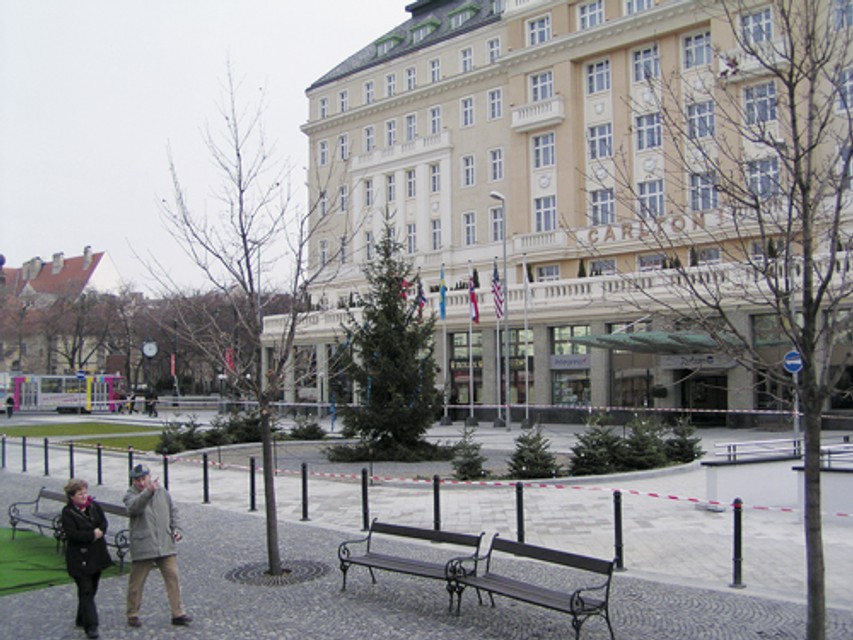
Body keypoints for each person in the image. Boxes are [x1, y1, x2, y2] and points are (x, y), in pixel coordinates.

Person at [123, 464, 192, 628]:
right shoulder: (130, 495)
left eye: (143, 478)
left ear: (149, 477)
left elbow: (173, 511)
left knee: (173, 578)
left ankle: (178, 613)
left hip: (164, 543)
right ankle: (132, 613)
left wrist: (176, 529)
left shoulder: (162, 492)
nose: (141, 482)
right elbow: (134, 508)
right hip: (144, 545)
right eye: (137, 480)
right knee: (136, 583)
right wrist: (148, 492)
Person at [61, 478, 113, 640]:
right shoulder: (68, 512)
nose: (84, 496)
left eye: (85, 493)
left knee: (92, 588)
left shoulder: (94, 506)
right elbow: (72, 534)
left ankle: (81, 617)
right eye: (80, 494)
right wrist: (92, 535)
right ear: (72, 496)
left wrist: (100, 531)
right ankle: (91, 626)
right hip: (79, 558)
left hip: (96, 555)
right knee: (86, 590)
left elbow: (103, 523)